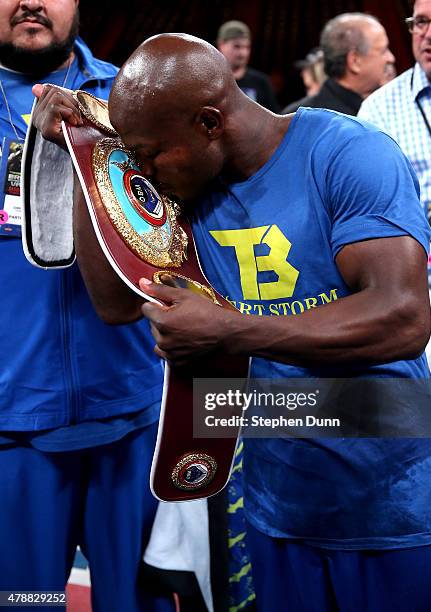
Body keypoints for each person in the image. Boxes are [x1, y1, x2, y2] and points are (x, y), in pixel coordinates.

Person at [33, 32, 431, 611]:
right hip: (276, 496)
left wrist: (229, 328)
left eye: (153, 153)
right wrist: (84, 157)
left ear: (208, 122)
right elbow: (116, 305)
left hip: (389, 492)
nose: (147, 169)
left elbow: (401, 318)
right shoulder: (193, 187)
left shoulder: (348, 152)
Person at [0, 2, 172, 611]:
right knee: (25, 604)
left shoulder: (136, 93)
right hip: (12, 424)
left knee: (138, 602)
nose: (29, 3)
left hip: (131, 412)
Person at [358, 0, 431, 407]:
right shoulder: (378, 110)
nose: (430, 33)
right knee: (427, 420)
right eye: (421, 22)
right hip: (424, 295)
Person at [283, 12, 395, 115]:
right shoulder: (299, 121)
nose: (391, 58)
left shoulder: (389, 106)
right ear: (355, 61)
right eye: (383, 51)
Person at [216, 19, 280, 112]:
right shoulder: (210, 79)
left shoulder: (261, 82)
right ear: (221, 44)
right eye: (237, 46)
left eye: (247, 47)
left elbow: (274, 119)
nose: (243, 53)